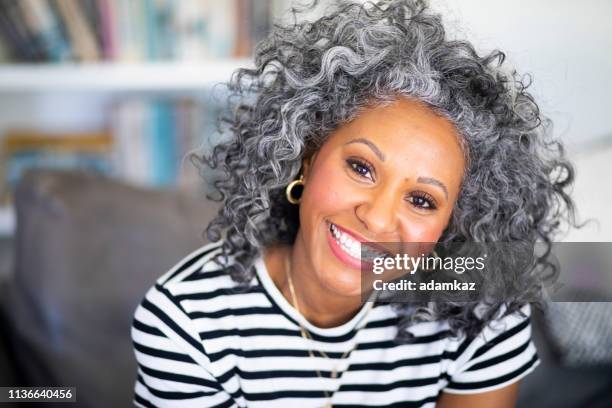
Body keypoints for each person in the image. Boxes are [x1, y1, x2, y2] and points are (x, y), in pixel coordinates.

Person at [131, 0, 576, 406]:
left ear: (455, 222)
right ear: (307, 154)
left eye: (422, 200)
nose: (377, 217)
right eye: (361, 168)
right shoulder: (186, 322)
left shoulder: (481, 309)